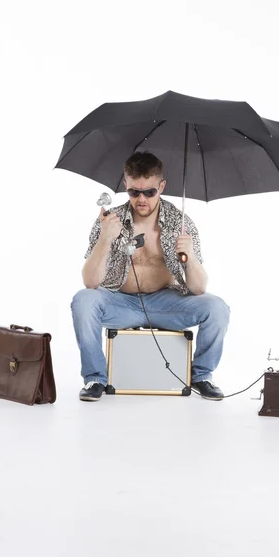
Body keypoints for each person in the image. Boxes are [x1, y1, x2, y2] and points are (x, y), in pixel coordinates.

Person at [71, 151, 230, 402]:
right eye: (134, 192)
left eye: (149, 192)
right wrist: (105, 237)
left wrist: (189, 256)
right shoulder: (110, 220)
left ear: (162, 186)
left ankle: (202, 376)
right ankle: (95, 378)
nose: (141, 199)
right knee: (82, 300)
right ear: (126, 185)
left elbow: (199, 288)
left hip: (165, 304)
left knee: (217, 308)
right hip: (120, 302)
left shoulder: (181, 223)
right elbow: (90, 282)